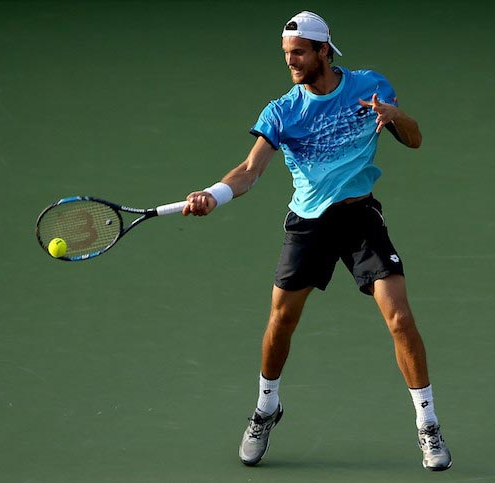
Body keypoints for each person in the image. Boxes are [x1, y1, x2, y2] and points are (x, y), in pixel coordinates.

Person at [182, 10, 452, 472]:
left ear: (324, 51)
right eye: (287, 54)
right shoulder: (282, 111)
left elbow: (415, 138)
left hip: (360, 217)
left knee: (401, 318)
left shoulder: (371, 86)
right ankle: (267, 407)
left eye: (299, 53)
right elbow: (249, 171)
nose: (291, 62)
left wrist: (395, 115)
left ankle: (427, 424)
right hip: (308, 224)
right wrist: (215, 194)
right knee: (281, 321)